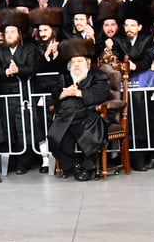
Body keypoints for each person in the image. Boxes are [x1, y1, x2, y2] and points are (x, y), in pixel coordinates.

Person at [47, 39, 110, 181]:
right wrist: (64, 93)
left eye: (80, 61)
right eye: (73, 62)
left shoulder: (98, 75)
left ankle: (88, 166)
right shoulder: (65, 76)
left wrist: (78, 93)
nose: (76, 65)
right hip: (66, 116)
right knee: (54, 137)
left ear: (87, 63)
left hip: (89, 115)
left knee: (87, 133)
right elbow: (55, 91)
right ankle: (74, 165)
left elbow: (101, 93)